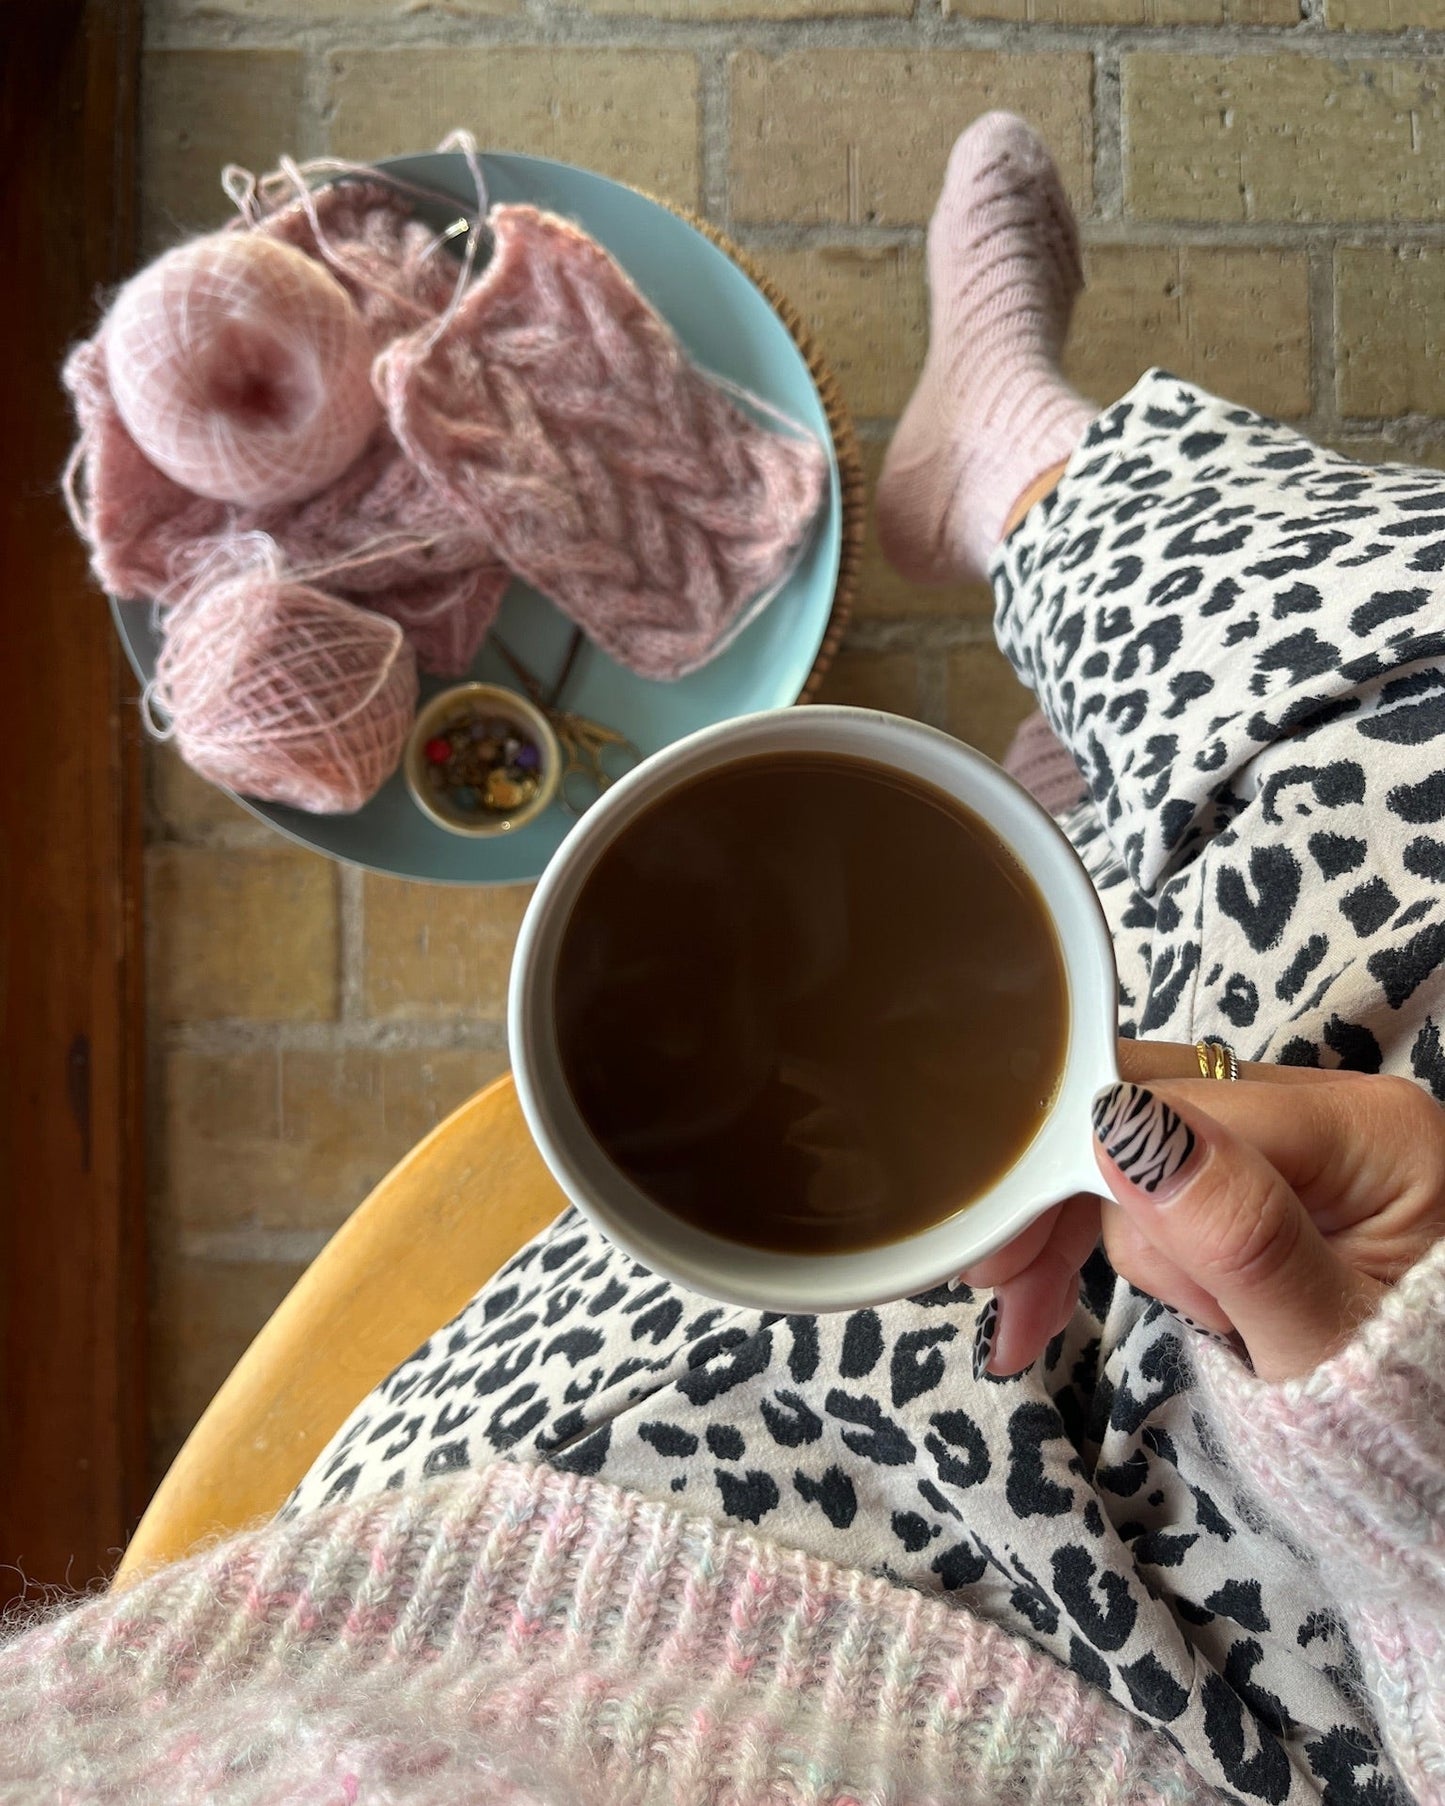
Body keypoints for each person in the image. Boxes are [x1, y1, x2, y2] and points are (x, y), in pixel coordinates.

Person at [2, 115, 1441, 1806]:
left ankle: (1041, 571)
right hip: (1188, 1671)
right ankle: (1025, 487)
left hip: (495, 1547)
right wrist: (1400, 1450)